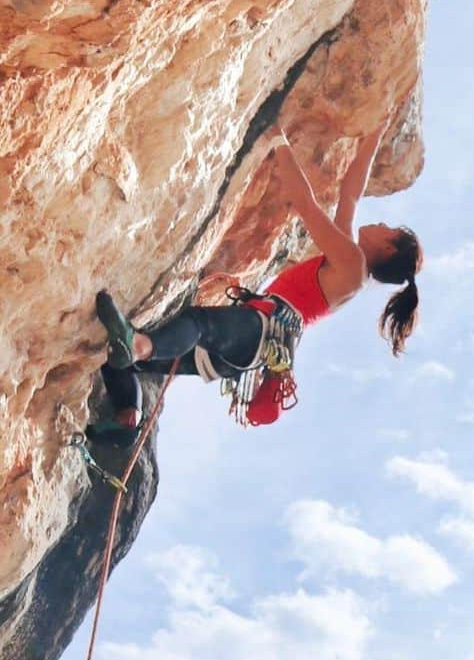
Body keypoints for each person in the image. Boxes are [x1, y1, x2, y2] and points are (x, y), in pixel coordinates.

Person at [89, 120, 422, 445]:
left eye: (388, 229)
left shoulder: (353, 265)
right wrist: (376, 132)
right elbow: (350, 196)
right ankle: (128, 414)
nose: (380, 222)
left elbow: (306, 206)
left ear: (389, 248)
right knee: (119, 356)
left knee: (195, 322)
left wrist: (278, 138)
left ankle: (139, 345)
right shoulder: (351, 267)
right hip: (245, 354)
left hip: (257, 332)